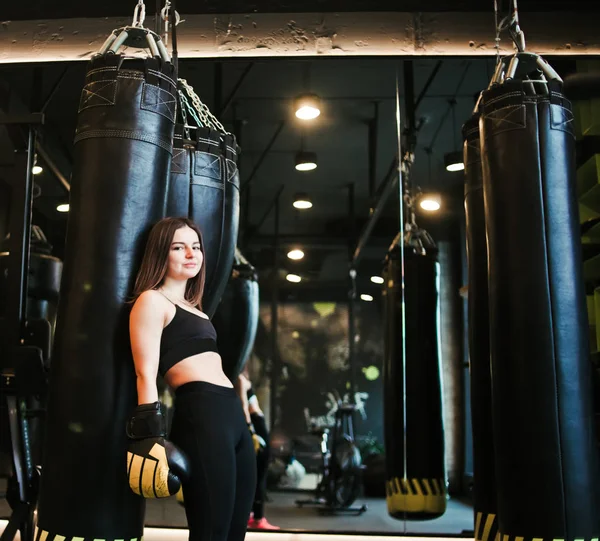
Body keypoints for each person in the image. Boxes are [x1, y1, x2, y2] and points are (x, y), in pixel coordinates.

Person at [126, 216, 256, 541]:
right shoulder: (151, 301)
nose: (191, 254)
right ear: (161, 253)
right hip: (202, 414)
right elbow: (145, 371)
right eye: (178, 247)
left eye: (196, 247)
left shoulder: (197, 310)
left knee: (235, 531)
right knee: (211, 532)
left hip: (231, 416)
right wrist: (149, 435)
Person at [235, 372, 280, 530]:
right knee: (259, 473)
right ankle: (257, 517)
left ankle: (253, 516)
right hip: (255, 427)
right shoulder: (239, 379)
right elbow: (243, 406)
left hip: (258, 425)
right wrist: (251, 431)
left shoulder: (243, 378)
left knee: (259, 472)